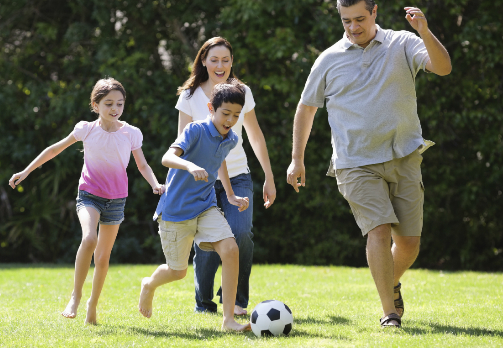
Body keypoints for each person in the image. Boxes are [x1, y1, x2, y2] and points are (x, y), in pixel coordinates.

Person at [286, 0, 451, 328]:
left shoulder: (402, 43)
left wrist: (425, 31)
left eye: (360, 19)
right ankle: (390, 313)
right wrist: (296, 160)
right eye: (346, 20)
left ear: (375, 12)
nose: (353, 27)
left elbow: (443, 67)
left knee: (408, 243)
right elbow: (306, 109)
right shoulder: (328, 60)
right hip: (355, 162)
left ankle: (389, 281)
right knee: (377, 231)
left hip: (404, 156)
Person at [8, 78, 164, 325]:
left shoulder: (131, 133)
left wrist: (155, 184)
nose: (115, 108)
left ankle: (93, 305)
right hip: (89, 194)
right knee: (89, 238)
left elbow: (142, 165)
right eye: (109, 103)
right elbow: (53, 150)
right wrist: (26, 171)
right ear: (96, 104)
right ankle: (76, 296)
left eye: (120, 104)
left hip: (116, 200)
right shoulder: (86, 129)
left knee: (102, 258)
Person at [138, 82, 251, 332]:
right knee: (178, 272)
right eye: (225, 113)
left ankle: (228, 321)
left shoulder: (230, 139)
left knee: (231, 250)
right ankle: (149, 284)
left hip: (205, 205)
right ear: (211, 108)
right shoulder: (195, 130)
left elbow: (219, 160)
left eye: (236, 115)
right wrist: (189, 166)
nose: (230, 120)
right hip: (176, 211)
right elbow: (167, 158)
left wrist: (230, 195)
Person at [176, 36, 276, 316]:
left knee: (241, 233)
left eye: (226, 60)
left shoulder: (242, 92)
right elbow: (181, 143)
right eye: (214, 59)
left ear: (232, 62)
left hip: (239, 176)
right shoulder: (189, 96)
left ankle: (236, 301)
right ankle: (204, 303)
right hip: (203, 181)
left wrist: (268, 175)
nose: (220, 65)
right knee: (206, 242)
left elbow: (255, 135)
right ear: (204, 61)